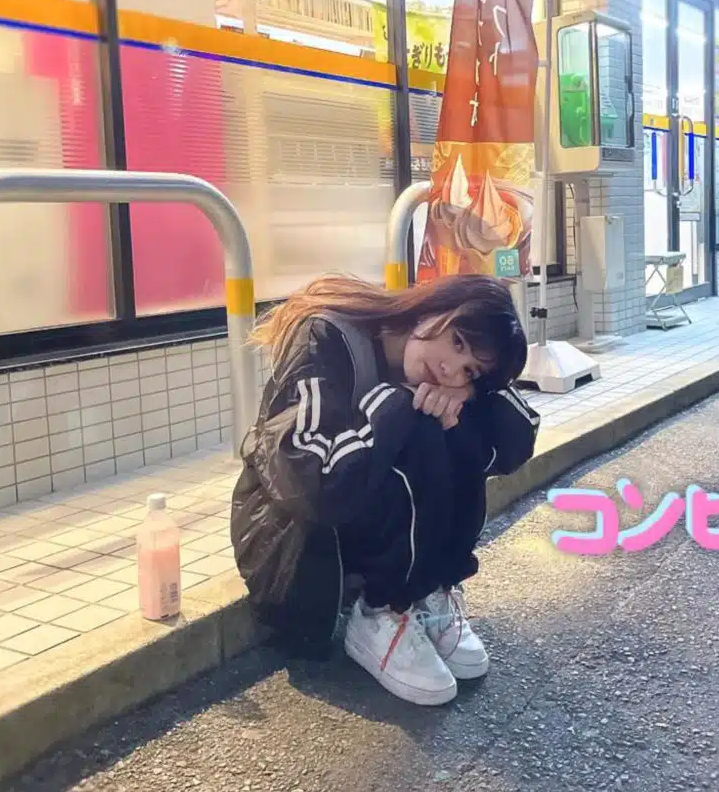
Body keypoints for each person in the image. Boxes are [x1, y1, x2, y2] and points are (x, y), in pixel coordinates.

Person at [230, 273, 540, 707]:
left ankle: (428, 589)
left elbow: (515, 439)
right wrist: (394, 403)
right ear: (435, 308)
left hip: (353, 526)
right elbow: (312, 483)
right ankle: (381, 611)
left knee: (452, 430)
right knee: (417, 422)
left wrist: (467, 397)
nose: (450, 369)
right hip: (292, 541)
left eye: (469, 369)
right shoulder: (327, 337)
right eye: (456, 341)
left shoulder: (447, 378)